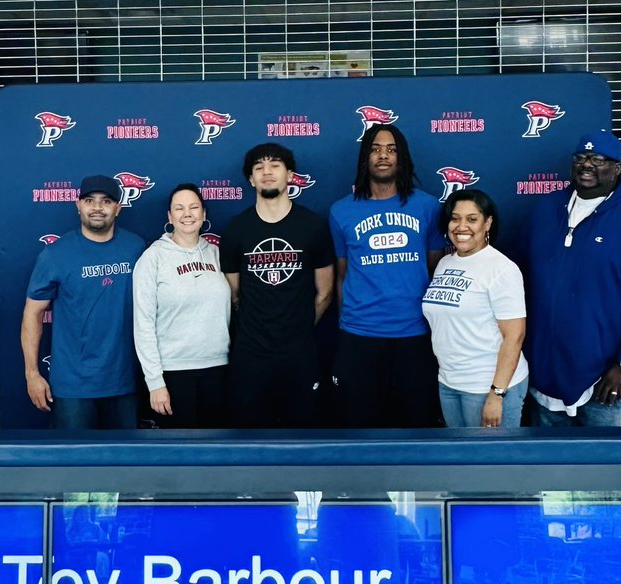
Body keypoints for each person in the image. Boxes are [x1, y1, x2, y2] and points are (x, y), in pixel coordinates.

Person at [518, 129, 621, 426]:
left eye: (598, 159)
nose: (587, 164)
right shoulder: (546, 209)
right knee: (551, 471)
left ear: (618, 168)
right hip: (546, 376)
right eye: (581, 157)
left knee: (620, 470)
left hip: (610, 380)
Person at [329, 124, 447, 428]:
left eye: (391, 149)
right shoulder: (341, 211)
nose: (383, 155)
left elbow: (435, 269)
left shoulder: (428, 206)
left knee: (416, 425)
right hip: (359, 336)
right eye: (376, 148)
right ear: (364, 157)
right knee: (358, 425)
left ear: (402, 157)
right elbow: (342, 275)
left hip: (414, 335)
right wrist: (348, 325)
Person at [219, 143, 335, 428]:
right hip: (250, 355)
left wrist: (297, 328)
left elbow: (325, 293)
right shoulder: (235, 230)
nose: (267, 172)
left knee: (305, 437)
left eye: (275, 166)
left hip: (300, 354)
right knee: (251, 440)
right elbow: (234, 296)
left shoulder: (313, 226)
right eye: (259, 168)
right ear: (250, 179)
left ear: (290, 174)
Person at [21, 174, 146, 430]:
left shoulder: (136, 248)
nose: (98, 208)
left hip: (124, 381)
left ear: (118, 208)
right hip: (73, 386)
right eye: (90, 200)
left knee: (127, 466)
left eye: (106, 201)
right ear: (78, 205)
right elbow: (32, 313)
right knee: (74, 468)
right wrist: (32, 374)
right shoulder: (55, 254)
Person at [422, 189, 528, 428]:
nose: (461, 226)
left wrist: (496, 394)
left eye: (472, 219)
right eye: (455, 218)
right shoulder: (444, 263)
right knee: (461, 461)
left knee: (491, 462)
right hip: (449, 382)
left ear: (487, 223)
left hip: (486, 386)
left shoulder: (501, 268)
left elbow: (514, 336)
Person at [132, 184, 232, 428]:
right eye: (179, 208)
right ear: (170, 217)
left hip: (219, 369)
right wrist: (155, 383)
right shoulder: (153, 258)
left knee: (217, 454)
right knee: (180, 457)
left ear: (204, 214)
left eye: (193, 207)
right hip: (173, 373)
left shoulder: (217, 254)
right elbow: (143, 323)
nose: (187, 214)